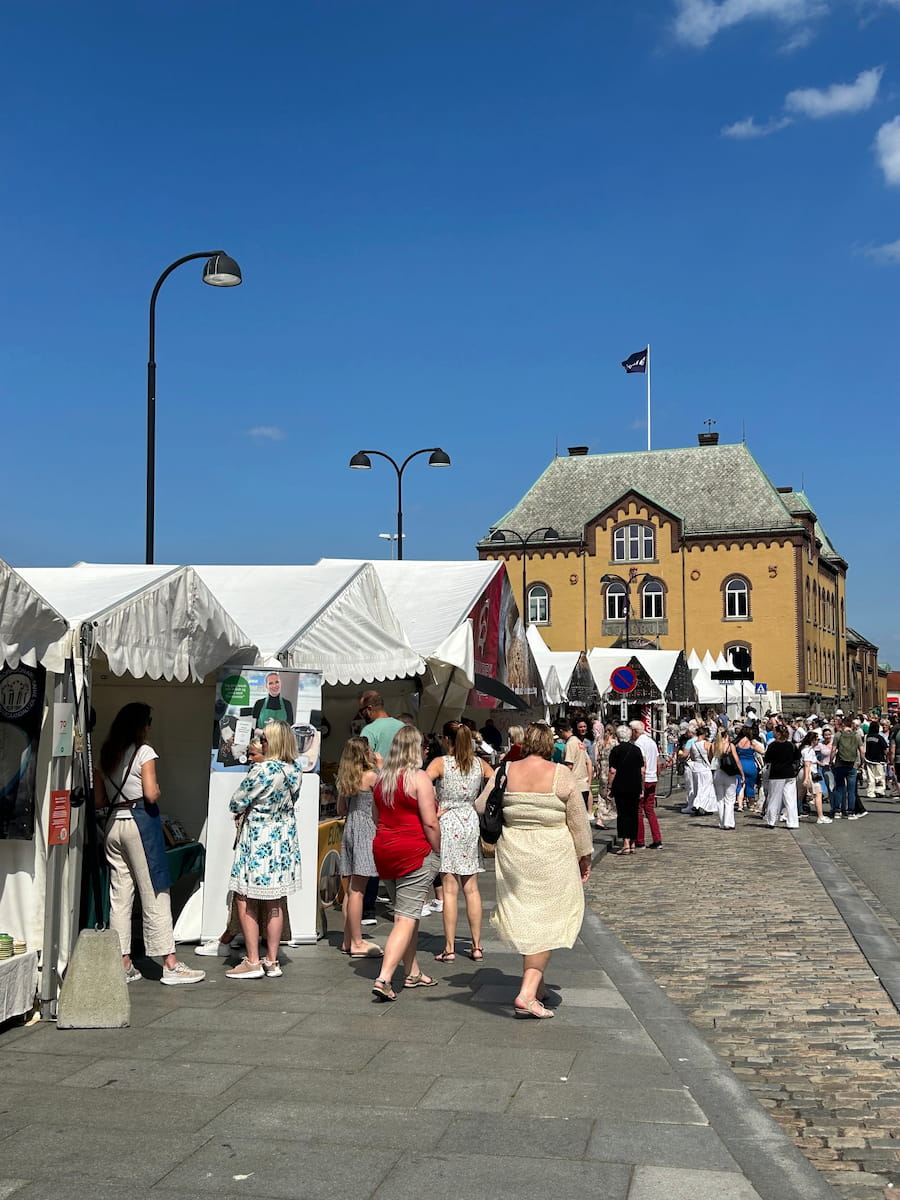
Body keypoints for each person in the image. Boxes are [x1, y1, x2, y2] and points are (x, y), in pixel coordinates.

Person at [484, 722, 592, 1018]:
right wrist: (585, 855)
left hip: (513, 852)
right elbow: (578, 822)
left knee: (529, 915)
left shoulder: (504, 771)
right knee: (547, 919)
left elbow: (483, 805)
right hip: (552, 853)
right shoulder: (560, 774)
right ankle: (528, 994)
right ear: (549, 745)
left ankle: (537, 983)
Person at [95, 703, 205, 986]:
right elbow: (151, 794)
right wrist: (155, 788)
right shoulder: (145, 752)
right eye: (149, 721)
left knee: (120, 897)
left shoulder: (106, 755)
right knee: (155, 891)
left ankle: (122, 962)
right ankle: (169, 962)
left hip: (113, 824)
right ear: (141, 725)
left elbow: (99, 801)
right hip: (139, 823)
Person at [370, 725, 441, 1001]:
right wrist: (437, 850)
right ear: (415, 748)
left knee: (406, 912)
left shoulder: (381, 779)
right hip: (413, 851)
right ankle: (385, 977)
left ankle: (412, 972)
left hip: (385, 850)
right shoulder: (419, 778)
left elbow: (377, 818)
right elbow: (430, 821)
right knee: (405, 917)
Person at [226, 721, 303, 979]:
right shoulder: (295, 770)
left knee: (244, 895)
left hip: (259, 837)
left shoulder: (262, 770)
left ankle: (252, 960)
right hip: (283, 839)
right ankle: (272, 960)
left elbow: (237, 800)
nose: (263, 744)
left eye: (266, 740)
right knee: (275, 900)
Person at [427, 721, 493, 962]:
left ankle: (450, 947)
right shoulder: (479, 764)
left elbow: (423, 783)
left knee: (450, 888)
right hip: (470, 821)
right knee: (472, 887)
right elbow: (496, 781)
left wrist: (437, 807)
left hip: (447, 821)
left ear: (447, 739)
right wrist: (478, 803)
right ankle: (476, 946)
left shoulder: (440, 763)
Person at [336, 737, 383, 959]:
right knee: (358, 890)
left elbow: (341, 808)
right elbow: (386, 800)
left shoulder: (346, 779)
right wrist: (381, 768)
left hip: (351, 829)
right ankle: (357, 941)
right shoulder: (372, 776)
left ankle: (348, 939)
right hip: (367, 829)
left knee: (351, 888)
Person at [607, 724, 644, 855]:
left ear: (618, 736)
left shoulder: (616, 751)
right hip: (634, 786)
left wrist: (609, 786)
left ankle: (625, 843)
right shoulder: (636, 750)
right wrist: (642, 787)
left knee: (623, 815)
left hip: (621, 786)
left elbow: (612, 770)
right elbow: (642, 770)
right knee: (633, 814)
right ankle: (633, 843)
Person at [630, 721, 662, 849]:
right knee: (650, 810)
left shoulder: (639, 744)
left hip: (644, 779)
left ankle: (640, 840)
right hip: (653, 778)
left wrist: (640, 783)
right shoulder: (651, 742)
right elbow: (658, 762)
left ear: (635, 731)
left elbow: (642, 764)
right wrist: (656, 776)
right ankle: (657, 839)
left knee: (639, 811)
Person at [763, 726, 800, 829]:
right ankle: (793, 822)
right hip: (790, 774)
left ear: (778, 733)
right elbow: (797, 758)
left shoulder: (773, 746)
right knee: (791, 799)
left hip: (777, 774)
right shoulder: (791, 745)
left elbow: (767, 759)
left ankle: (771, 820)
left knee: (774, 798)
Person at [557, 716, 593, 814]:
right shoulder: (578, 742)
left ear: (561, 731)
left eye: (557, 733)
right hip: (583, 784)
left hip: (575, 786)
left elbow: (569, 766)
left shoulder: (570, 744)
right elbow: (588, 761)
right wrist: (589, 781)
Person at [358, 690, 405, 763]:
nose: (361, 715)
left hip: (379, 773)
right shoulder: (402, 726)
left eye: (361, 711)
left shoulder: (369, 730)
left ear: (369, 709)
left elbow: (363, 760)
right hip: (403, 774)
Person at [711, 727, 744, 830]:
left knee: (720, 798)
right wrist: (742, 774)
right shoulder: (730, 746)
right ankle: (728, 822)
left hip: (717, 773)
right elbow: (737, 760)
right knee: (730, 799)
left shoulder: (713, 745)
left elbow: (710, 759)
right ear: (727, 735)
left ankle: (721, 822)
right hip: (729, 774)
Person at [832, 721, 863, 819]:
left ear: (843, 725)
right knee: (851, 790)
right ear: (852, 725)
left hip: (839, 764)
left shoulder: (838, 735)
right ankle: (851, 812)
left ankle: (837, 811)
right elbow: (862, 751)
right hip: (852, 765)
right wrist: (862, 762)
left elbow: (833, 750)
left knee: (839, 788)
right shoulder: (857, 736)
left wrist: (830, 761)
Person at [799, 731, 831, 823]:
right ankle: (820, 817)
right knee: (818, 794)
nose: (818, 741)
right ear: (813, 740)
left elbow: (811, 760)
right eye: (817, 739)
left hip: (803, 772)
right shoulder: (809, 750)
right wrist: (806, 778)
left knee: (799, 795)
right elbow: (807, 764)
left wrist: (819, 763)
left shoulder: (805, 749)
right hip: (809, 773)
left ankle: (787, 814)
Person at [734, 726, 765, 811]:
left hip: (740, 765)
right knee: (750, 785)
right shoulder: (752, 743)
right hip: (750, 765)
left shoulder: (737, 743)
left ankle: (740, 805)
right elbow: (762, 751)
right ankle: (751, 804)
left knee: (740, 785)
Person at [688, 725, 717, 815]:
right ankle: (698, 804)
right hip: (705, 768)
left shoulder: (693, 744)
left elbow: (692, 757)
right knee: (706, 788)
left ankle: (706, 806)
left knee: (698, 788)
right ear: (705, 734)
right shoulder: (707, 744)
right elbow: (711, 756)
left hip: (696, 767)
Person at [862, 721, 888, 799]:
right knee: (880, 776)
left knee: (871, 777)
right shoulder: (879, 737)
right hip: (879, 759)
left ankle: (870, 792)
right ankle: (879, 791)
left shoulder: (866, 737)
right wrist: (887, 757)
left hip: (869, 759)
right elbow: (885, 749)